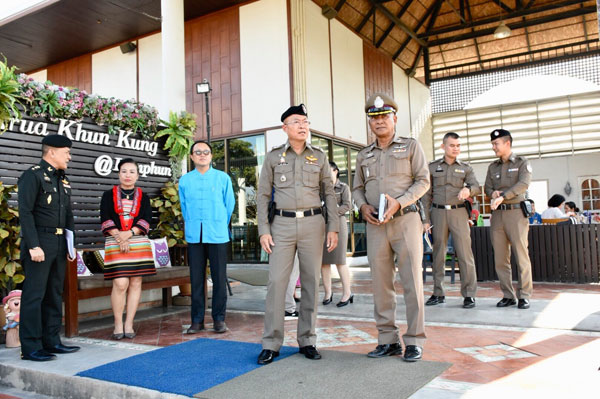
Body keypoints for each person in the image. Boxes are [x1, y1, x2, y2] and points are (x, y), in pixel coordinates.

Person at [256, 104, 339, 365]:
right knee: (277, 284)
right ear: (285, 128)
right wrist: (263, 230)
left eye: (305, 121)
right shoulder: (272, 157)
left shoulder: (320, 157)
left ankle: (308, 339)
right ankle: (271, 343)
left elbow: (329, 194)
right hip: (281, 224)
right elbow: (262, 196)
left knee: (312, 283)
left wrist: (333, 227)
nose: (303, 126)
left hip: (313, 224)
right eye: (296, 121)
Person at [353, 93, 430, 362]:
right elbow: (357, 188)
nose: (379, 121)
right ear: (370, 123)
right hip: (375, 225)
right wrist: (362, 207)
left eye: (384, 116)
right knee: (381, 284)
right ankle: (388, 339)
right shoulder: (364, 155)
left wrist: (400, 202)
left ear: (395, 119)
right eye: (374, 118)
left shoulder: (410, 147)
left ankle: (414, 340)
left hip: (406, 221)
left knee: (412, 282)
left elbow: (423, 181)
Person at [18, 134, 80, 361]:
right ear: (52, 151)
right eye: (67, 153)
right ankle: (31, 347)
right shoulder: (32, 176)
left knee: (54, 293)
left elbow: (69, 215)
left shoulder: (62, 180)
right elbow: (25, 212)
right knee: (35, 295)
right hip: (40, 243)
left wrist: (71, 247)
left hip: (59, 243)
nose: (70, 157)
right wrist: (33, 245)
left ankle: (51, 341)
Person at [179, 140, 235, 334]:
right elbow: (184, 207)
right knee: (196, 279)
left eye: (206, 152)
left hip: (217, 234)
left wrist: (218, 221)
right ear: (192, 157)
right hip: (195, 235)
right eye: (198, 152)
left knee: (219, 279)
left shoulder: (223, 178)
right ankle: (197, 320)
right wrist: (194, 222)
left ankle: (219, 319)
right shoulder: (185, 180)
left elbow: (229, 205)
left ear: (211, 156)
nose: (202, 155)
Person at [421, 132, 480, 309]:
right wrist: (425, 219)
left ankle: (469, 295)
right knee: (438, 254)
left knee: (464, 254)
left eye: (458, 146)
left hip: (459, 213)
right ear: (443, 146)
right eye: (452, 145)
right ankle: (438, 293)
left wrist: (468, 190)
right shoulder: (431, 167)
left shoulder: (466, 168)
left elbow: (476, 186)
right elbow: (425, 196)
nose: (456, 149)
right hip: (438, 213)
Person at [100, 158, 155, 340]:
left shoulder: (144, 197)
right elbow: (105, 217)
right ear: (118, 174)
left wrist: (129, 234)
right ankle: (117, 324)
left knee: (136, 282)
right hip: (115, 242)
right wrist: (119, 236)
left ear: (137, 175)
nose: (128, 175)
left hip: (137, 242)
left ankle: (129, 324)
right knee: (120, 283)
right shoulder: (108, 195)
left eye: (132, 171)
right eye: (124, 171)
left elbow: (146, 219)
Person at [485, 128, 533, 310]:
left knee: (521, 255)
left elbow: (523, 184)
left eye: (496, 144)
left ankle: (524, 295)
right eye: (492, 144)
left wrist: (503, 195)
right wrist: (493, 193)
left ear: (507, 143)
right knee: (500, 258)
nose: (493, 147)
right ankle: (508, 295)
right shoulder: (492, 167)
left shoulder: (522, 163)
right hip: (497, 215)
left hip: (516, 214)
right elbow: (487, 188)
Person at [321, 161, 353, 307]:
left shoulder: (343, 187)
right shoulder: (321, 188)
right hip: (323, 225)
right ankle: (328, 293)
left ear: (335, 171)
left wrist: (333, 212)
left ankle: (347, 293)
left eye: (329, 171)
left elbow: (347, 205)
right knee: (324, 262)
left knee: (340, 261)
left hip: (339, 224)